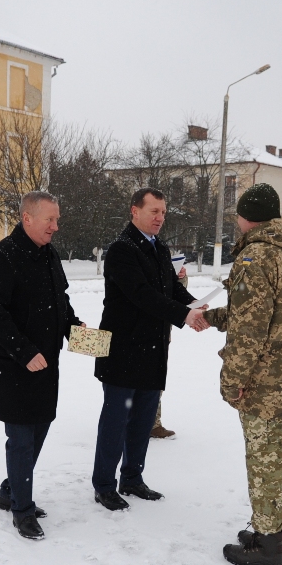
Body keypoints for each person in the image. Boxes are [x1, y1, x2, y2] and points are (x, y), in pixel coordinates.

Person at [203, 183, 282, 565]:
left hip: (267, 386)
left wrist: (230, 379)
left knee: (266, 462)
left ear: (245, 217)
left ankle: (269, 551)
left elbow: (251, 331)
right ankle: (272, 532)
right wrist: (215, 316)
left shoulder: (256, 257)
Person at [91, 188, 209, 511]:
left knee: (143, 421)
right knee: (116, 422)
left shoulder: (159, 249)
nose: (160, 217)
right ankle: (104, 485)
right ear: (135, 212)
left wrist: (197, 306)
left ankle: (131, 478)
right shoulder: (121, 251)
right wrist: (184, 315)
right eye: (153, 211)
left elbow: (170, 289)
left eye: (163, 212)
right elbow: (142, 295)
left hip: (152, 353)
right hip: (122, 354)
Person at [0, 192, 84, 540]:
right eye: (49, 220)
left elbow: (60, 300)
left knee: (40, 428)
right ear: (27, 218)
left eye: (57, 220)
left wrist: (74, 328)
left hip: (45, 364)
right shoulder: (1, 258)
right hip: (12, 366)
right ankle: (21, 509)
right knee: (21, 438)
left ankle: (10, 491)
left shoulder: (49, 255)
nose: (56, 226)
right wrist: (23, 351)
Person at [151, 265, 190, 440]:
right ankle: (130, 421)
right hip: (136, 332)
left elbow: (172, 293)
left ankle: (152, 423)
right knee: (131, 382)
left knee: (154, 379)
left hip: (160, 332)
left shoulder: (160, 250)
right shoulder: (128, 250)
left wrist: (179, 279)